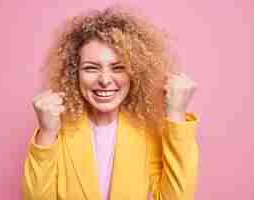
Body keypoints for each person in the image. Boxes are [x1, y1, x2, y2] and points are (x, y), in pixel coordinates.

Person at [22, 6, 199, 200]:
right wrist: (46, 133)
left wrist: (176, 114)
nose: (105, 80)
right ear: (74, 74)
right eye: (91, 68)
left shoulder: (148, 132)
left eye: (118, 68)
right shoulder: (58, 131)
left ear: (135, 73)